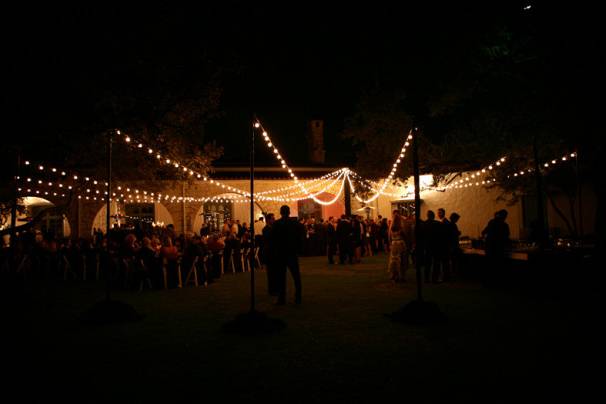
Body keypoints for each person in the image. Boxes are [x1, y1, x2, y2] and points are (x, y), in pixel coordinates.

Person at [270, 205, 305, 304]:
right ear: (289, 212)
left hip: (281, 253)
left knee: (281, 277)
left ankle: (282, 298)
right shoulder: (295, 223)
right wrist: (298, 247)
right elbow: (301, 235)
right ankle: (298, 297)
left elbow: (272, 239)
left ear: (281, 212)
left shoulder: (277, 224)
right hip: (292, 252)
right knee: (296, 276)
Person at [482, 209, 510, 285]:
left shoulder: (492, 222)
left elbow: (484, 232)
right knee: (497, 265)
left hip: (489, 246)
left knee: (490, 265)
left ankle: (488, 282)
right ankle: (496, 281)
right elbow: (506, 237)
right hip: (497, 247)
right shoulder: (504, 225)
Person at [388, 210, 406, 282]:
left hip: (394, 244)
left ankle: (394, 276)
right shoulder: (401, 227)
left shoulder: (391, 227)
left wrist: (390, 244)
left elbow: (389, 236)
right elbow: (404, 235)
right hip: (400, 244)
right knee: (401, 260)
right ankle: (401, 276)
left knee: (394, 260)